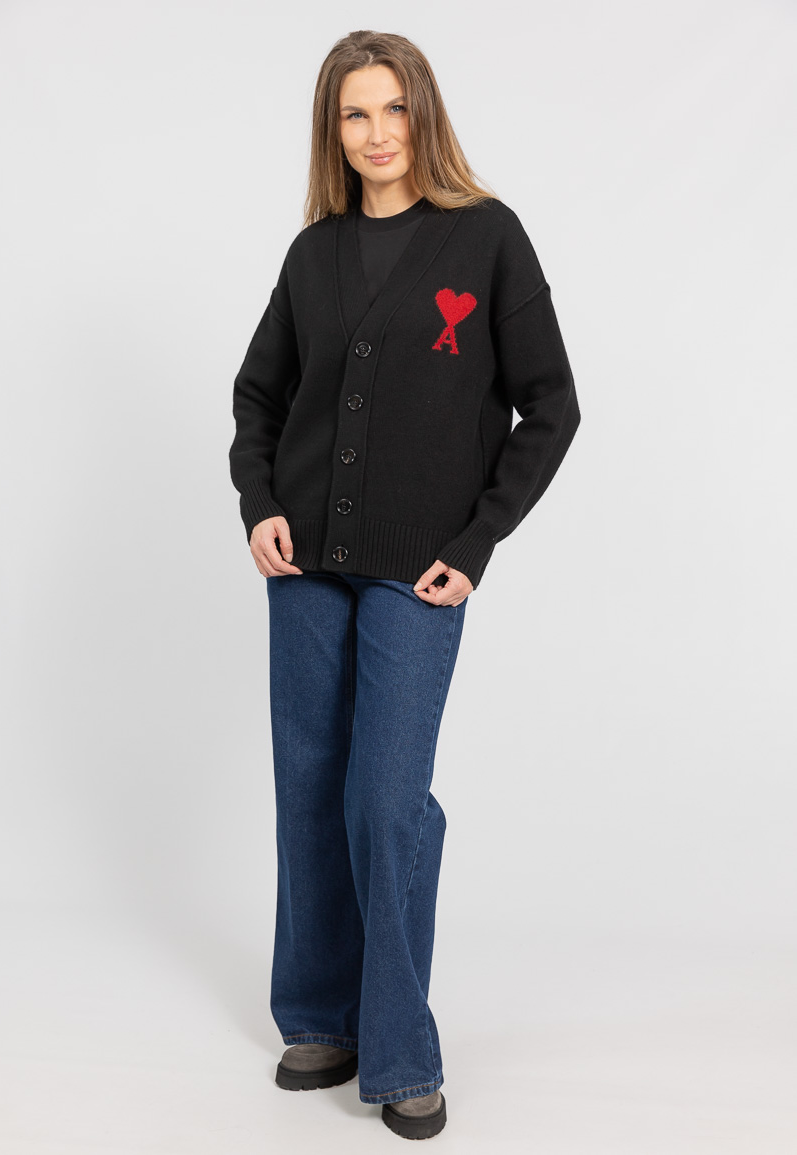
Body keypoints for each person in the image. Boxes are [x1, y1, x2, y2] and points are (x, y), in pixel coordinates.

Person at [228, 29, 581, 1142]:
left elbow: (551, 405)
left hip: (418, 572)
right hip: (303, 564)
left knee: (385, 799)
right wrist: (259, 503)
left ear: (423, 114)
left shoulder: (487, 237)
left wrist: (475, 543)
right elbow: (259, 397)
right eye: (354, 113)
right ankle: (318, 1016)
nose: (376, 133)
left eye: (393, 109)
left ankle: (399, 1050)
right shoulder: (314, 254)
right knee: (308, 787)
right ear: (331, 130)